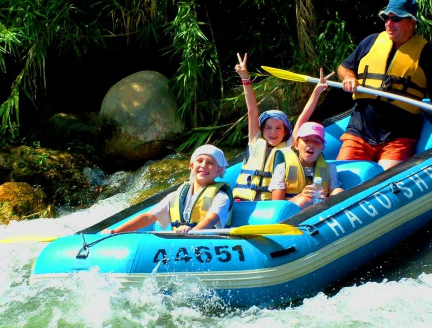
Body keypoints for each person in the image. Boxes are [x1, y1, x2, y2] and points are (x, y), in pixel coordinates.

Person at [336, 0, 432, 170]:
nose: (389, 23)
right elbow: (343, 68)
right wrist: (349, 77)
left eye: (396, 18)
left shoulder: (427, 54)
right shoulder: (370, 42)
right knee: (341, 180)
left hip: (398, 137)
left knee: (386, 182)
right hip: (359, 131)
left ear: (412, 22)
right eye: (386, 18)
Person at [233, 52, 329, 201]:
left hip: (269, 204)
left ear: (285, 132)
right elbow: (252, 110)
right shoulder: (255, 140)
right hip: (243, 202)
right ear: (262, 130)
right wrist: (245, 78)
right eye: (268, 128)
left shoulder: (289, 146)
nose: (273, 132)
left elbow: (302, 118)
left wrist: (316, 92)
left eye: (278, 128)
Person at [102, 145, 232, 235]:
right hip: (181, 240)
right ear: (191, 166)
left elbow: (211, 219)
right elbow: (148, 217)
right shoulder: (175, 197)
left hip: (207, 242)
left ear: (219, 170)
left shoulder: (220, 196)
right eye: (200, 161)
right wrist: (115, 231)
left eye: (210, 163)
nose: (204, 166)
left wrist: (191, 233)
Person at [268, 122, 343, 209]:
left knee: (339, 191)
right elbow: (277, 206)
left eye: (316, 141)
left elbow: (333, 193)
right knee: (305, 200)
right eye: (306, 140)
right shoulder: (282, 168)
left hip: (321, 209)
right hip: (292, 213)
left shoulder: (330, 168)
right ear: (296, 145)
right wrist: (301, 196)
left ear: (322, 148)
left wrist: (327, 198)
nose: (311, 144)